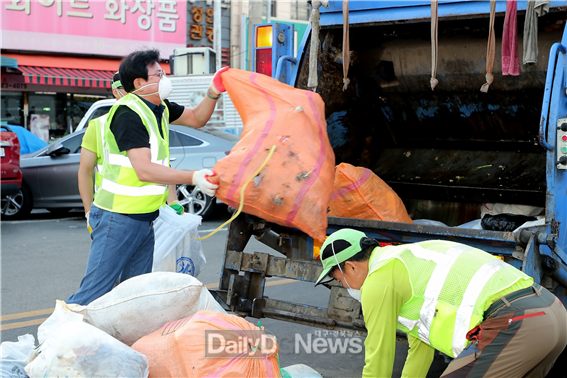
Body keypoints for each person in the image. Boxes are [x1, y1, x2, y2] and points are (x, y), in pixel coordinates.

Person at [68, 49, 228, 305]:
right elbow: (143, 170)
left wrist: (213, 91)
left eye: (163, 73)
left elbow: (197, 118)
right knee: (94, 293)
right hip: (117, 217)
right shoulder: (128, 114)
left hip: (145, 219)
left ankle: (117, 343)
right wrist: (194, 176)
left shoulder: (159, 108)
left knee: (135, 294)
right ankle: (57, 340)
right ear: (140, 83)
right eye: (158, 74)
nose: (165, 79)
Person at [315, 228, 567, 378]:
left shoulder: (377, 280)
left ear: (349, 266)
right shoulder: (405, 260)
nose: (345, 286)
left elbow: (379, 355)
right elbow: (421, 349)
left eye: (338, 279)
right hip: (551, 312)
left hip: (518, 323)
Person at [78, 72, 182, 234]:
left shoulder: (153, 120)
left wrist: (173, 200)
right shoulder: (98, 126)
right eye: (126, 89)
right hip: (113, 212)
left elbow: (163, 165)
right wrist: (88, 211)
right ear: (115, 92)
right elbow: (85, 171)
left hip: (154, 212)